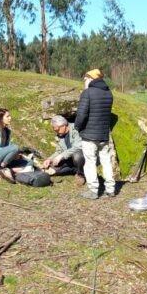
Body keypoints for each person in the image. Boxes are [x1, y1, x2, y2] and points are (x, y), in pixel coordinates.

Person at [76, 68, 116, 200]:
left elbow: (81, 114)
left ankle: (93, 190)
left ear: (92, 79)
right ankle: (110, 189)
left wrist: (77, 126)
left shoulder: (87, 93)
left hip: (89, 135)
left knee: (90, 162)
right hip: (104, 135)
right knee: (106, 161)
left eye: (85, 79)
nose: (84, 81)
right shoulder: (109, 93)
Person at [41, 115, 85, 186]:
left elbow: (78, 146)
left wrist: (61, 156)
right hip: (68, 159)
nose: (57, 132)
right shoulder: (59, 135)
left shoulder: (76, 129)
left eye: (57, 129)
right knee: (52, 169)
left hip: (81, 156)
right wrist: (50, 159)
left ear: (64, 126)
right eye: (55, 130)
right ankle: (75, 170)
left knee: (77, 156)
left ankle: (81, 175)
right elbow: (59, 151)